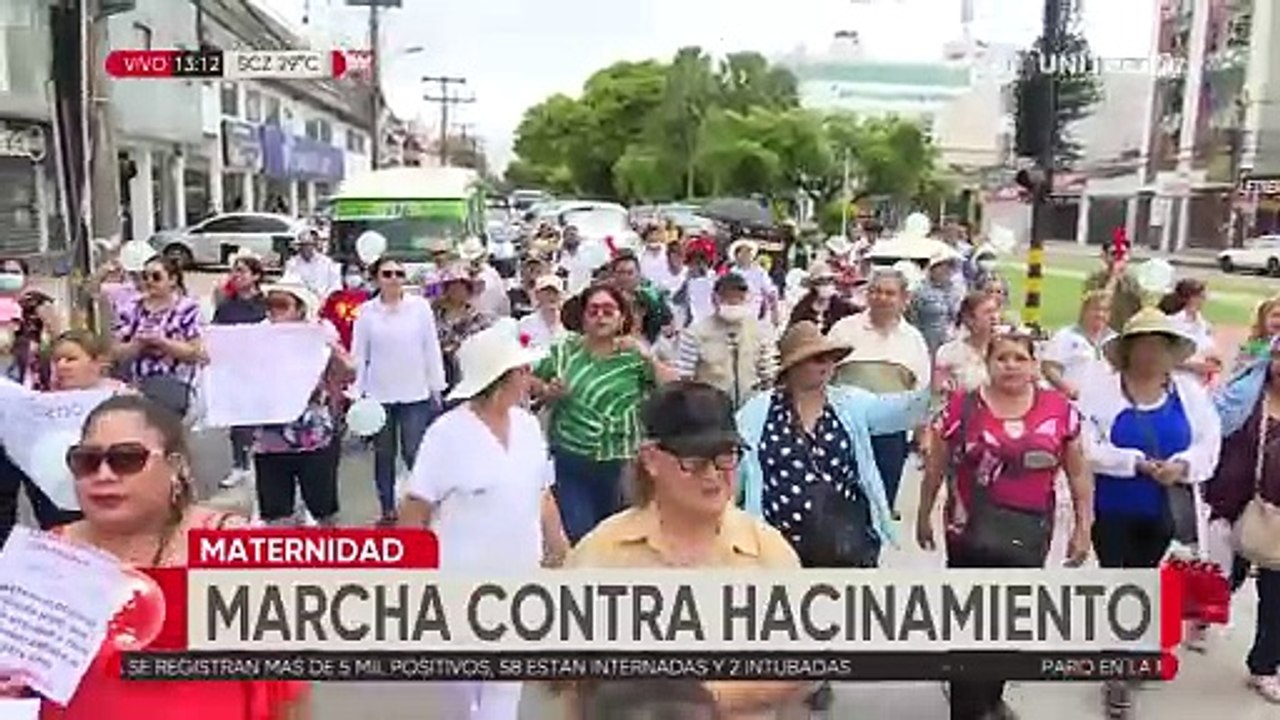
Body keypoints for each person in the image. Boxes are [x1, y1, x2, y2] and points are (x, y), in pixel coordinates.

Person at [0, 394, 310, 719]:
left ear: (175, 467)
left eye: (127, 458)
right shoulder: (47, 557)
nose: (103, 474)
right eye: (87, 460)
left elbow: (288, 685)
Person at [565, 381, 811, 719]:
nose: (713, 475)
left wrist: (690, 698)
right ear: (651, 459)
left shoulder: (767, 551)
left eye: (725, 458)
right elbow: (567, 678)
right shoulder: (601, 552)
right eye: (694, 461)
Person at [917, 330, 1093, 720]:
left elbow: (1079, 473)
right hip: (968, 535)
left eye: (1019, 358)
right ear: (988, 363)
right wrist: (924, 514)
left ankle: (991, 698)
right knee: (969, 624)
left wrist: (1084, 527)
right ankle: (967, 707)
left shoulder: (1059, 409)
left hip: (1029, 533)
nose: (1010, 365)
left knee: (1010, 624)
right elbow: (936, 466)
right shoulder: (962, 407)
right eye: (1002, 358)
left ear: (1034, 365)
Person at [399, 321, 570, 720]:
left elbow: (542, 492)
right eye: (523, 371)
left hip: (519, 576)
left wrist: (561, 548)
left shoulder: (528, 427)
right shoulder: (447, 433)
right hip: (460, 582)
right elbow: (416, 507)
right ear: (500, 378)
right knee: (463, 693)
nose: (530, 378)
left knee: (504, 688)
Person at [1077, 307, 1222, 718]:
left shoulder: (1189, 393)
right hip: (1112, 506)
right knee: (1116, 579)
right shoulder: (1102, 391)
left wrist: (1182, 465)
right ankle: (1116, 670)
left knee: (1143, 578)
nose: (1152, 353)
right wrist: (1134, 462)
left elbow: (1209, 444)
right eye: (1144, 345)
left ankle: (1131, 649)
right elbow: (1085, 445)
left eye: (1161, 345)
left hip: (1165, 509)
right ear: (1129, 349)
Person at [737, 321, 928, 567]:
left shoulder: (850, 403)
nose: (827, 365)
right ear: (793, 366)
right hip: (778, 549)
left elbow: (902, 412)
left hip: (847, 543)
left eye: (830, 358)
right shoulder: (756, 413)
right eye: (817, 359)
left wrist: (933, 393)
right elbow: (732, 471)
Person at [531, 283, 675, 542]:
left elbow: (674, 387)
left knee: (619, 540)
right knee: (581, 537)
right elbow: (529, 380)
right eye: (593, 311)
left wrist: (647, 356)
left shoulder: (634, 356)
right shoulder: (564, 350)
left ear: (622, 318)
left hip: (622, 465)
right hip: (572, 460)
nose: (600, 317)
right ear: (583, 317)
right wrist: (547, 391)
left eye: (609, 311)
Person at [1205, 336, 1280, 701]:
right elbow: (1213, 435)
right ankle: (1200, 617)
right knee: (1223, 578)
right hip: (1238, 503)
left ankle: (1265, 666)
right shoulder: (1245, 396)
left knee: (1277, 595)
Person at [351, 256, 447, 526]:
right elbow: (359, 355)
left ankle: (421, 504)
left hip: (415, 392)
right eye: (387, 274)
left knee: (414, 452)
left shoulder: (420, 308)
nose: (393, 279)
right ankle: (387, 508)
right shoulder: (366, 312)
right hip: (378, 395)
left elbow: (431, 347)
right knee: (384, 455)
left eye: (398, 274)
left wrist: (436, 386)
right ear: (376, 278)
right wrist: (356, 394)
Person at [828, 268, 931, 515]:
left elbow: (923, 392)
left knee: (880, 506)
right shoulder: (845, 330)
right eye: (875, 291)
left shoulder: (913, 339)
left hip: (891, 436)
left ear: (904, 299)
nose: (881, 298)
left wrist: (923, 435)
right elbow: (824, 376)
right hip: (845, 430)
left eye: (889, 293)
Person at [253, 280, 352, 527]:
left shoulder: (318, 332)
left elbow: (349, 371)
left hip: (313, 437)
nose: (274, 311)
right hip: (270, 440)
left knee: (325, 513)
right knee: (276, 517)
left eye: (281, 304)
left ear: (299, 308)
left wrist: (333, 350)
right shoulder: (257, 335)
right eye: (270, 304)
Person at [111, 255, 204, 419]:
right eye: (145, 277)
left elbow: (195, 353)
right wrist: (137, 344)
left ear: (173, 280)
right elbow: (115, 352)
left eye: (156, 277)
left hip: (174, 383)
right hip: (136, 384)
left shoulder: (187, 309)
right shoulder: (131, 308)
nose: (149, 281)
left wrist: (163, 343)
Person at [673, 273, 778, 408]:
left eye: (738, 298)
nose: (733, 301)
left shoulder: (760, 331)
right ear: (714, 299)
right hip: (710, 410)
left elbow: (769, 376)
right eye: (727, 297)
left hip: (750, 408)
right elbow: (684, 378)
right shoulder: (695, 334)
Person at [212, 255, 268, 489]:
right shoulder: (226, 307)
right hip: (235, 370)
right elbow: (215, 335)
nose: (236, 275)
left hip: (262, 370)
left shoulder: (266, 304)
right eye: (233, 271)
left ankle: (262, 464)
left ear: (255, 275)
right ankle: (239, 464)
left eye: (242, 271)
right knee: (237, 419)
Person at [1042, 290, 1116, 401]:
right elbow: (1050, 368)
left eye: (1105, 310)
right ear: (1084, 311)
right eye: (1096, 309)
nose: (1100, 314)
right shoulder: (1065, 336)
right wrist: (1068, 390)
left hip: (1103, 405)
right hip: (1071, 404)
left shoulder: (1115, 340)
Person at [434, 264, 495, 396]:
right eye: (453, 286)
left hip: (470, 377)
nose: (457, 290)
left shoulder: (481, 319)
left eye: (462, 286)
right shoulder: (433, 316)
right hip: (440, 376)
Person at [0, 257, 59, 389]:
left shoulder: (36, 300)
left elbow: (57, 331)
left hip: (30, 363)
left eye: (14, 272)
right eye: (3, 271)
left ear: (25, 277)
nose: (7, 276)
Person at [934, 292, 1003, 397]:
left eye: (996, 311)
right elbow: (939, 392)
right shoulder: (948, 353)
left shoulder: (1005, 350)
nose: (994, 317)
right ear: (969, 319)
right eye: (987, 312)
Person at [1159, 278, 1222, 384]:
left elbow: (1211, 350)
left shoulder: (1203, 324)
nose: (1204, 299)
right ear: (1190, 298)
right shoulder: (1171, 323)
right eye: (1201, 296)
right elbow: (1162, 356)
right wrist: (1194, 367)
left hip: (1200, 384)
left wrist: (1215, 362)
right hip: (1177, 382)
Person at [909, 250, 964, 358]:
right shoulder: (921, 291)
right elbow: (912, 317)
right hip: (927, 341)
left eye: (949, 266)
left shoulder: (955, 290)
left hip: (950, 340)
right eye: (941, 266)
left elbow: (958, 315)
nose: (945, 270)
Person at [1084, 242, 1144, 333]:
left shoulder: (1132, 281)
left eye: (1122, 254)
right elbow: (1100, 304)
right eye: (1114, 253)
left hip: (1125, 334)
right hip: (1101, 334)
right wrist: (1114, 277)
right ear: (1104, 256)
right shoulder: (1095, 279)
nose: (1118, 258)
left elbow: (1140, 310)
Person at [787, 261, 858, 333]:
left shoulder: (843, 306)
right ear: (813, 285)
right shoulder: (803, 308)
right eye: (821, 282)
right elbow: (791, 332)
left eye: (830, 280)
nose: (827, 285)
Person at [726, 239, 779, 325]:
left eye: (749, 252)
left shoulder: (759, 272)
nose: (747, 254)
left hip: (752, 314)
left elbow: (771, 292)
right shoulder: (732, 272)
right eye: (744, 252)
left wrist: (775, 314)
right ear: (737, 255)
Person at [459, 236, 512, 318]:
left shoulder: (492, 275)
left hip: (491, 321)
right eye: (470, 261)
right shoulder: (457, 277)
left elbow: (503, 302)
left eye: (476, 260)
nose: (472, 263)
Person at [282, 229, 341, 300]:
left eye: (309, 245)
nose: (306, 248)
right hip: (301, 301)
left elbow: (335, 284)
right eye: (303, 245)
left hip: (324, 300)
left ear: (314, 245)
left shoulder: (327, 262)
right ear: (299, 247)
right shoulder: (292, 263)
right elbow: (288, 282)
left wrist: (326, 297)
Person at [516, 274, 568, 349]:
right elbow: (521, 350)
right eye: (547, 293)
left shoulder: (568, 324)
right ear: (537, 295)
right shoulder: (526, 324)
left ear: (561, 296)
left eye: (555, 293)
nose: (551, 297)